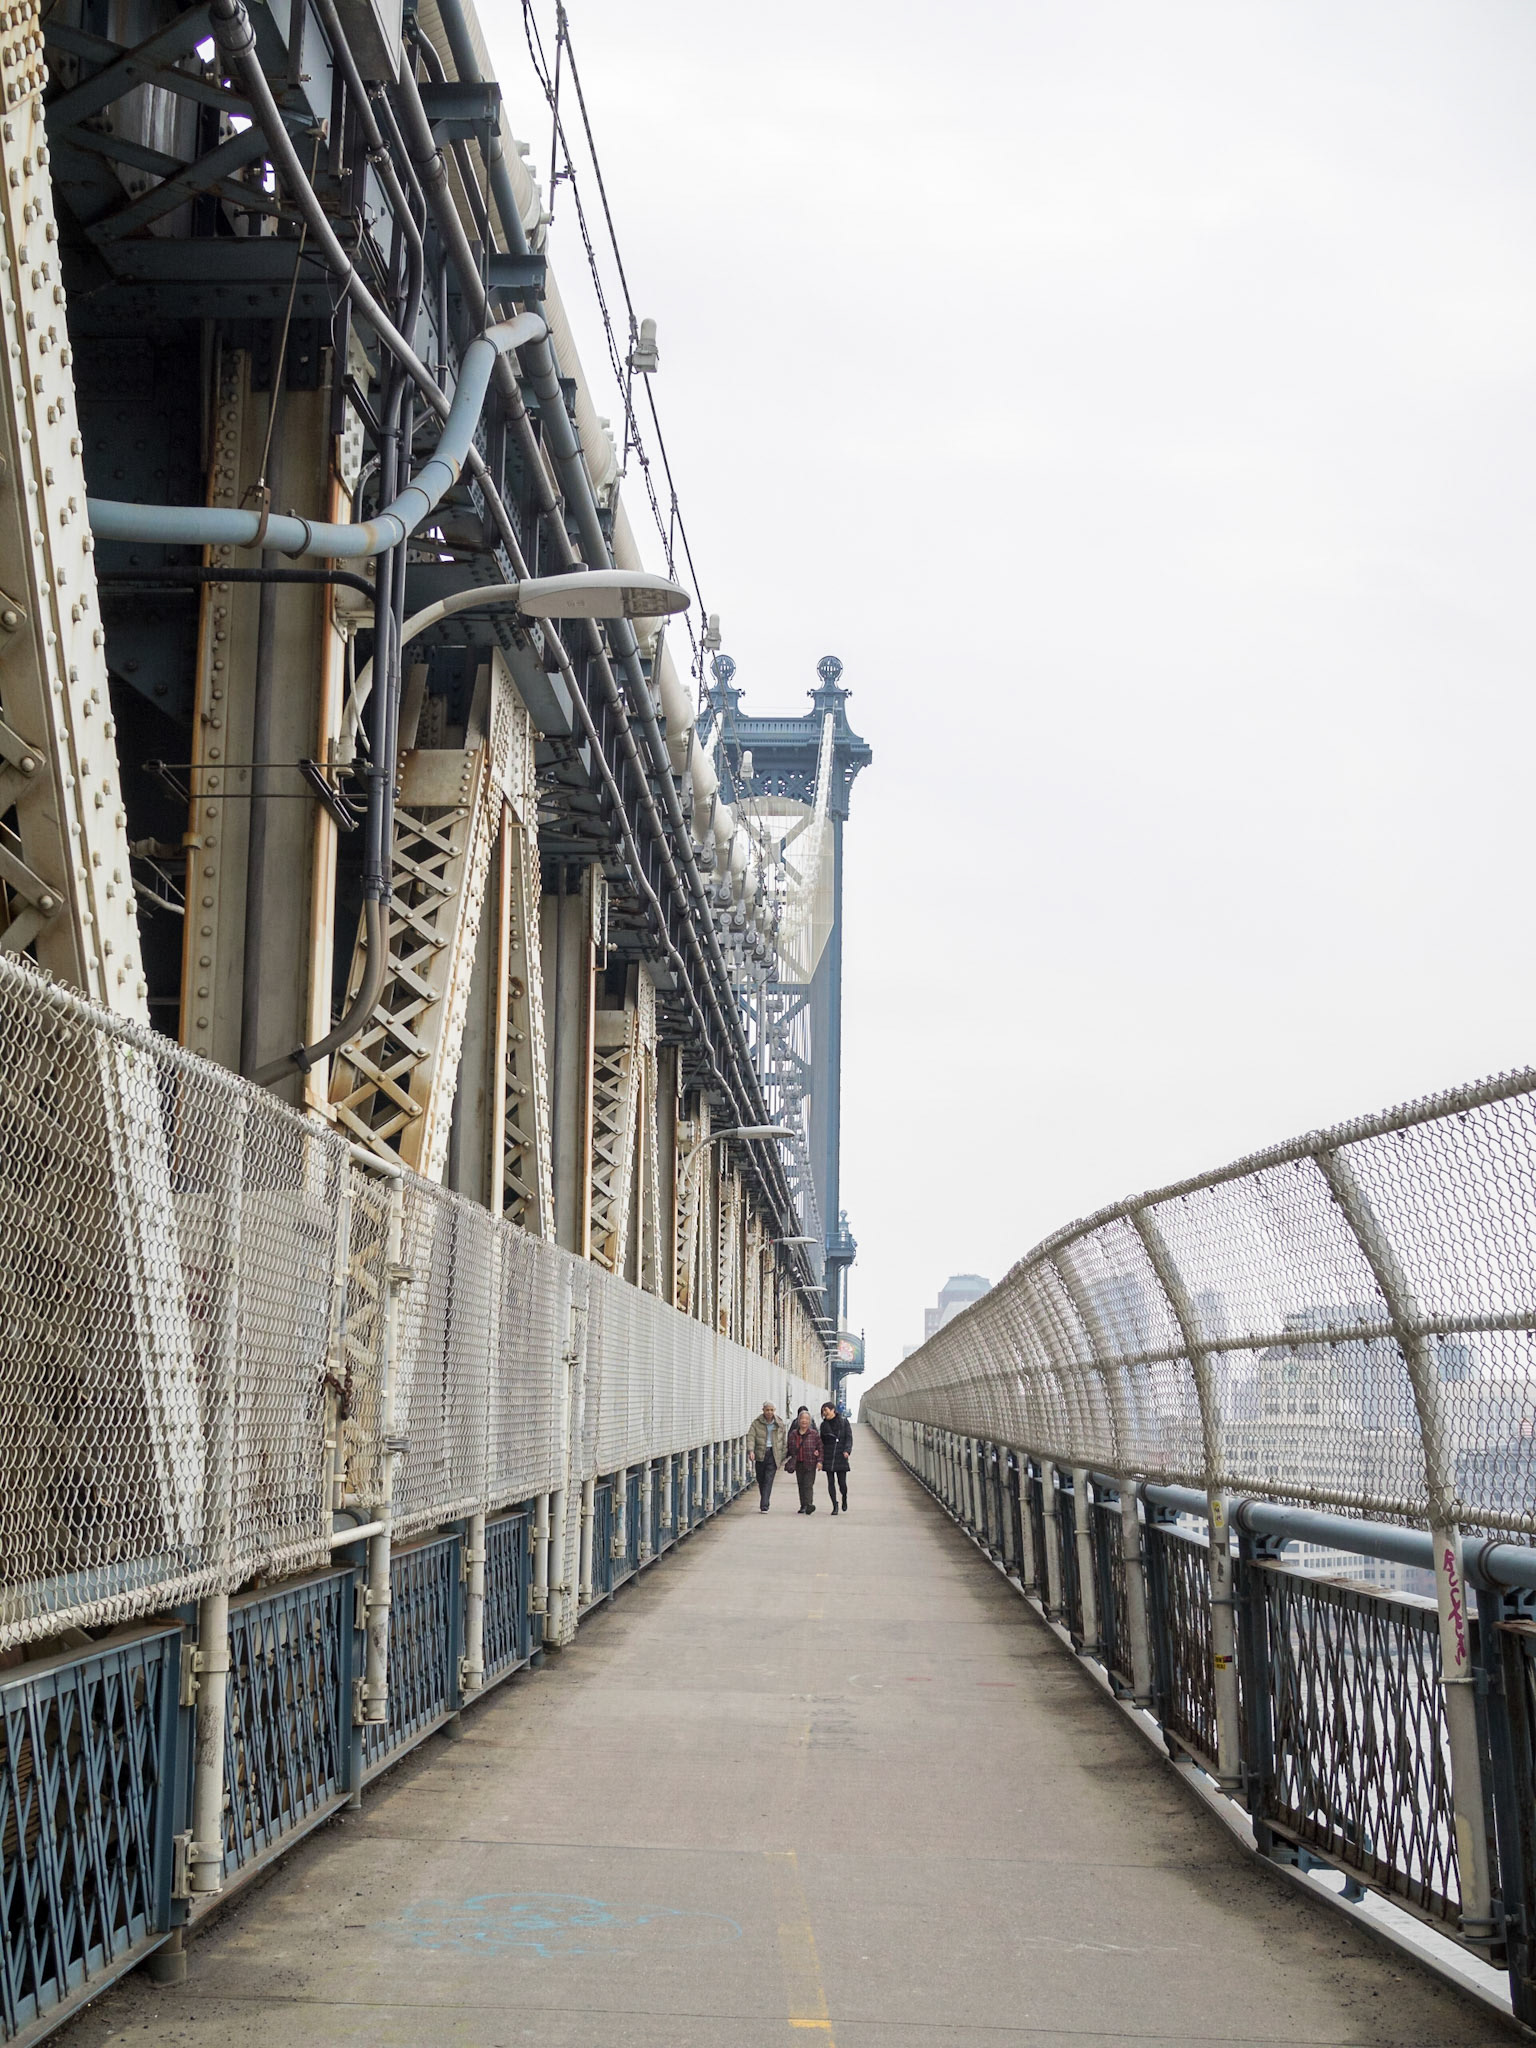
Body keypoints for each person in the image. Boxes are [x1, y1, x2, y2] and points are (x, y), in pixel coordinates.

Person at [746, 1403, 788, 1512]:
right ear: (763, 1410)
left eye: (771, 1410)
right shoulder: (756, 1423)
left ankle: (764, 1504)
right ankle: (764, 1499)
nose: (769, 1412)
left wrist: (782, 1456)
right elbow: (751, 1437)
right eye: (767, 1410)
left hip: (773, 1454)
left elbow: (783, 1441)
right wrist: (751, 1450)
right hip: (760, 1454)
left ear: (774, 1410)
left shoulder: (779, 1423)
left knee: (768, 1480)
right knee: (761, 1479)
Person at [786, 1406, 822, 1514]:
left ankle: (809, 1505)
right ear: (798, 1420)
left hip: (810, 1462)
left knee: (808, 1485)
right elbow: (790, 1448)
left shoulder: (814, 1434)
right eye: (802, 1419)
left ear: (809, 1421)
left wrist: (819, 1461)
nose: (804, 1421)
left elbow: (820, 1448)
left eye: (806, 1419)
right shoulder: (793, 1434)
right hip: (798, 1462)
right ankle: (803, 1505)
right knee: (801, 1484)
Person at [819, 1402, 852, 1514]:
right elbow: (821, 1441)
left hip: (841, 1455)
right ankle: (834, 1505)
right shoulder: (823, 1425)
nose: (824, 1413)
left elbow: (849, 1438)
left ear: (833, 1410)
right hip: (828, 1455)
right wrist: (819, 1454)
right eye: (823, 1411)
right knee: (830, 1482)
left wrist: (847, 1450)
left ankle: (844, 1496)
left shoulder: (844, 1422)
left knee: (842, 1483)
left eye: (826, 1410)